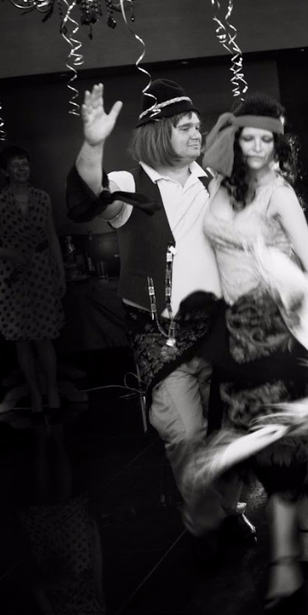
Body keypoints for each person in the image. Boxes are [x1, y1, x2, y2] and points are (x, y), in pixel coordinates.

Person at [65, 80, 256, 549]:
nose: (196, 134)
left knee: (237, 427)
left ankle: (228, 507)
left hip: (220, 329)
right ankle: (203, 518)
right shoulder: (132, 185)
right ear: (158, 132)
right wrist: (92, 144)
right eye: (185, 127)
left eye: (197, 126)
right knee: (185, 432)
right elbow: (90, 190)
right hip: (160, 335)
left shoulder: (213, 181)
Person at [201, 92, 308, 610]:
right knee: (261, 446)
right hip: (233, 333)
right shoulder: (220, 184)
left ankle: (285, 569)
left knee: (276, 450)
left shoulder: (280, 194)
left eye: (265, 139)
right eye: (246, 138)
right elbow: (208, 157)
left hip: (274, 329)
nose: (255, 148)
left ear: (278, 144)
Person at [0, 145, 66, 421]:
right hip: (11, 275)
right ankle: (35, 394)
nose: (21, 169)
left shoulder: (42, 197)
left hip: (41, 270)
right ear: (5, 171)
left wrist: (60, 272)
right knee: (22, 338)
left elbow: (51, 236)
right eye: (15, 165)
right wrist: (8, 253)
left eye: (25, 164)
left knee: (44, 336)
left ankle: (52, 390)